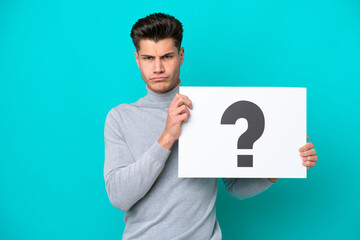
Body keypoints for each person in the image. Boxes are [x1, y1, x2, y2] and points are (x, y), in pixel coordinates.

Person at [103, 12, 318, 240]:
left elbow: (236, 186)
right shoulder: (120, 118)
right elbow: (119, 196)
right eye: (148, 58)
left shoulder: (209, 109)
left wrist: (280, 165)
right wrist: (167, 137)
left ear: (181, 55)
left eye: (166, 56)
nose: (158, 68)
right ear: (137, 59)